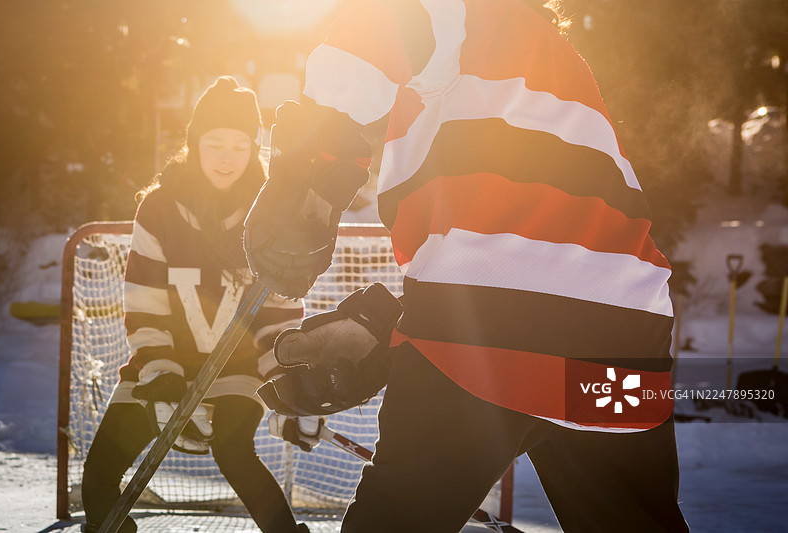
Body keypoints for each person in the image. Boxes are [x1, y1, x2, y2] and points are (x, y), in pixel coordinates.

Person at [244, 1, 690, 532]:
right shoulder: (556, 61)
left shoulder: (469, 11)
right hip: (625, 335)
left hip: (488, 334)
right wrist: (399, 324)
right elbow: (550, 248)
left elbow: (381, 28)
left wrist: (307, 175)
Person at [81, 76, 309, 533]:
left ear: (254, 150)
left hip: (236, 367)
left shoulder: (269, 214)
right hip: (163, 363)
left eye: (240, 146)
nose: (227, 158)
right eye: (215, 143)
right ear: (193, 144)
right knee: (97, 478)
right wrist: (160, 368)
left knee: (233, 448)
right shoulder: (160, 208)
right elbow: (144, 298)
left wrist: (285, 379)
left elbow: (279, 312)